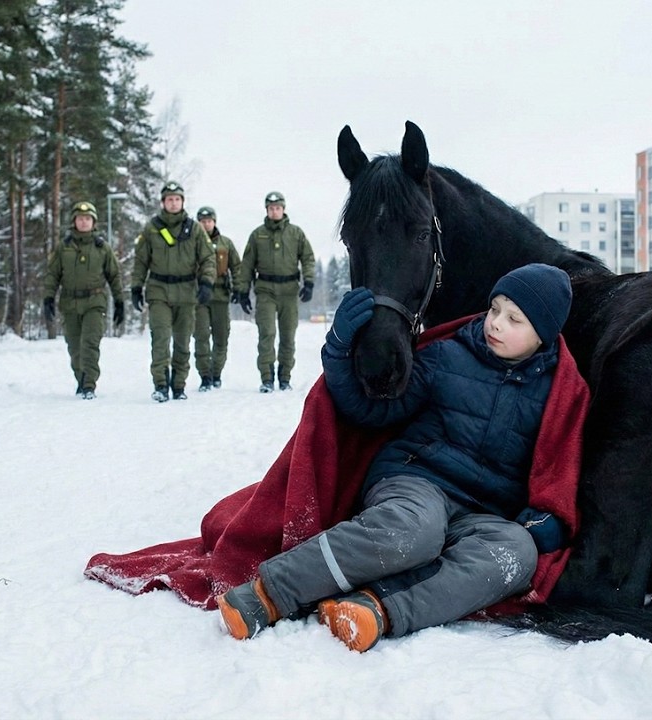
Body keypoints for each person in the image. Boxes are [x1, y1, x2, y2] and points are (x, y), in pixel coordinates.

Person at [215, 263, 575, 652]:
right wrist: (338, 350)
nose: (496, 323)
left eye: (514, 318)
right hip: (416, 481)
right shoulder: (448, 356)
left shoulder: (557, 393)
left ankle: (376, 609)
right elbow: (372, 411)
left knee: (517, 554)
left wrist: (547, 521)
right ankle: (270, 593)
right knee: (414, 532)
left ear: (543, 335)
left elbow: (559, 467)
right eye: (494, 309)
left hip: (483, 511)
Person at [130, 181, 217, 402]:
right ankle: (160, 384)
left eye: (177, 199)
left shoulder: (194, 229)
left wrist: (206, 282)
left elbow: (207, 258)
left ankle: (178, 385)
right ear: (163, 202)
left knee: (182, 341)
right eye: (169, 199)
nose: (173, 202)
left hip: (186, 292)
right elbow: (141, 261)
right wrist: (136, 287)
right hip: (158, 290)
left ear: (182, 202)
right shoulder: (152, 228)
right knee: (160, 338)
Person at [233, 191, 315, 392]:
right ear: (267, 210)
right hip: (265, 290)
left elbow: (308, 258)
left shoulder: (296, 233)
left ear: (283, 209)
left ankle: (285, 377)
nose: (274, 211)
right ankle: (267, 378)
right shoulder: (258, 234)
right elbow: (247, 265)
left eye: (278, 208)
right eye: (271, 208)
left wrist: (309, 282)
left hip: (289, 290)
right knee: (267, 333)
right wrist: (243, 291)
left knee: (288, 335)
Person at [42, 201, 125, 400]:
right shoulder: (64, 247)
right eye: (80, 219)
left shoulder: (102, 247)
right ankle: (80, 379)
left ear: (93, 222)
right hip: (70, 302)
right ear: (74, 221)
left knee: (90, 343)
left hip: (95, 302)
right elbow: (53, 274)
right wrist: (48, 298)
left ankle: (89, 384)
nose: (84, 222)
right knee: (74, 346)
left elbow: (114, 275)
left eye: (88, 219)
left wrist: (120, 301)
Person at [192, 206, 240, 391]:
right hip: (199, 298)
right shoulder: (191, 243)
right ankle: (204, 375)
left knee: (221, 337)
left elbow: (236, 267)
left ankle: (216, 373)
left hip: (221, 296)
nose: (206, 224)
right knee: (201, 336)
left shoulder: (225, 244)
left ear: (214, 222)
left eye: (209, 221)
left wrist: (238, 289)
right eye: (202, 221)